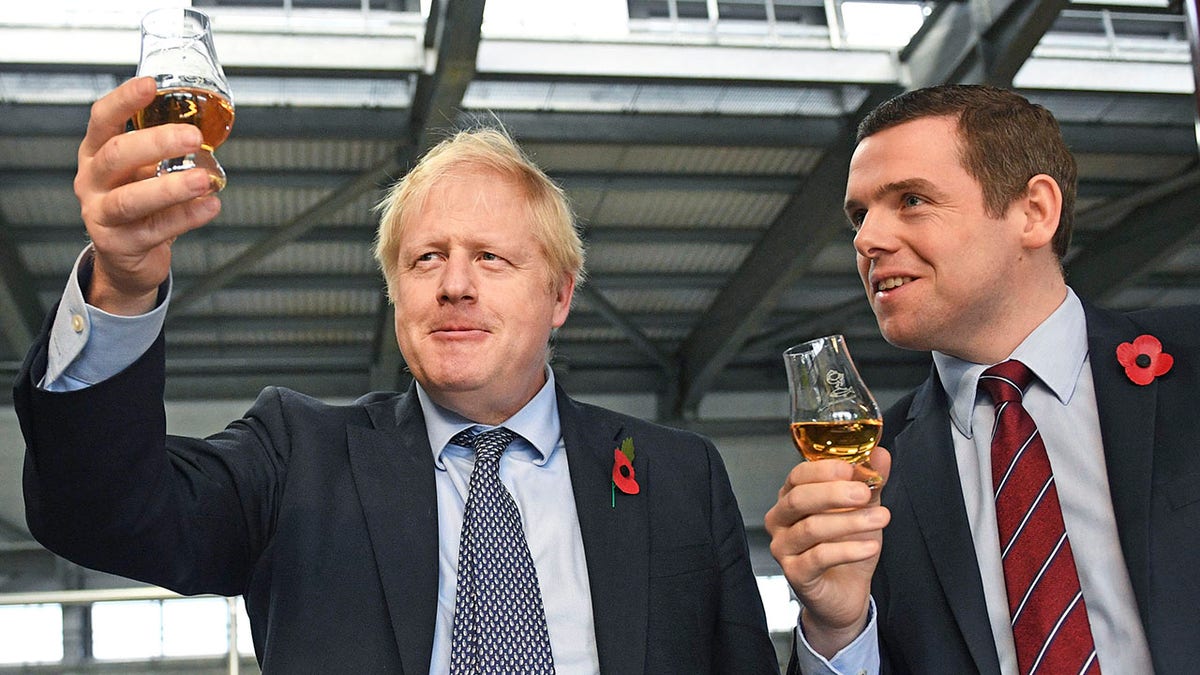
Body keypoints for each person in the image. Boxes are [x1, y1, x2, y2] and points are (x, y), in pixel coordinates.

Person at [14, 76, 779, 674]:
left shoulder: (682, 478)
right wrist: (119, 284)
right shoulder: (297, 457)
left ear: (560, 295)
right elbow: (102, 510)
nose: (454, 284)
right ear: (396, 293)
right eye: (425, 258)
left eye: (490, 257)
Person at [765, 84, 1200, 674]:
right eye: (859, 216)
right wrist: (836, 628)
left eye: (912, 200)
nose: (867, 240)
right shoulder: (871, 474)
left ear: (1034, 212)